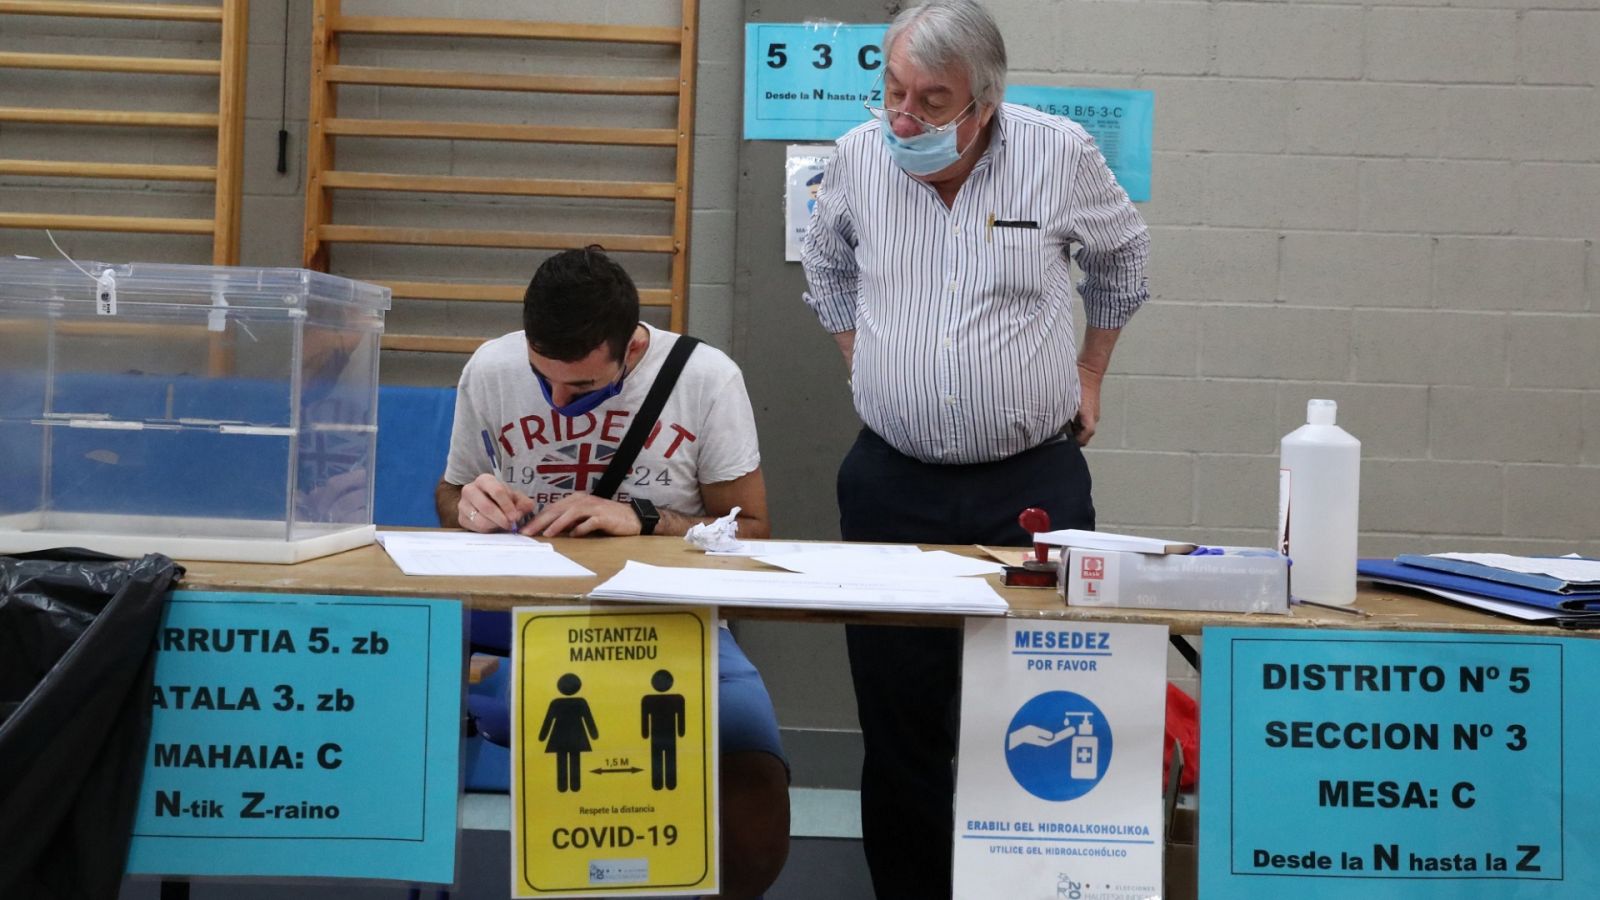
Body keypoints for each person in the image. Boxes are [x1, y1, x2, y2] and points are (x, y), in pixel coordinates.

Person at [800, 1, 1150, 896]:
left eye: (931, 99)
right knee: (900, 720)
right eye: (892, 92)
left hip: (1029, 481)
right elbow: (826, 262)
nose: (903, 118)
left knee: (1034, 707)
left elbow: (1124, 263)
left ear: (984, 103)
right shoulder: (854, 158)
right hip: (891, 484)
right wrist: (864, 357)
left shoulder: (1058, 154)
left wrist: (1092, 373)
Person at [436, 246, 790, 899]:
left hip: (679, 625)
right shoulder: (492, 367)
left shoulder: (707, 378)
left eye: (582, 387)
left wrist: (646, 518)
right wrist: (470, 505)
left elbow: (753, 529)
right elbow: (450, 494)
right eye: (545, 381)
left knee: (756, 801)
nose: (560, 399)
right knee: (578, 791)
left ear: (630, 350)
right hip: (544, 626)